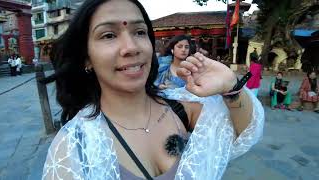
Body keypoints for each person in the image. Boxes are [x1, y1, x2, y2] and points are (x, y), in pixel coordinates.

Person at [42, 0, 264, 179]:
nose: (131, 47)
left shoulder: (181, 106)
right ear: (86, 59)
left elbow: (243, 134)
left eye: (139, 32)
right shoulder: (72, 148)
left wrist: (230, 87)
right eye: (108, 35)